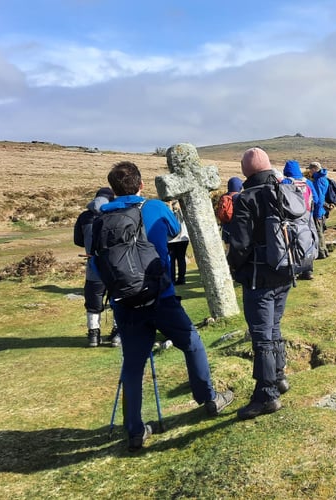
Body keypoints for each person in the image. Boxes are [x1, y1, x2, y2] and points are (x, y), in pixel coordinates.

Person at [98, 161, 234, 451]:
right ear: (141, 184)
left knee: (133, 365)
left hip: (124, 303)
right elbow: (173, 230)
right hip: (161, 296)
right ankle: (209, 399)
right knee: (192, 343)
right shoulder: (155, 208)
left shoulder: (101, 219)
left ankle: (134, 430)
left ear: (112, 189)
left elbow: (98, 263)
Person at [227, 147, 292, 420]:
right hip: (286, 272)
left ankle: (266, 395)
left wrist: (233, 268)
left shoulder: (246, 198)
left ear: (246, 171)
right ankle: (278, 377)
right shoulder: (285, 191)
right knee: (273, 328)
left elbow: (240, 244)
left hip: (259, 277)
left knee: (262, 337)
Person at [73, 187, 120, 348]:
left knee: (93, 300)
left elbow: (78, 240)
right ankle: (117, 333)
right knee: (118, 298)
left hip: (93, 264)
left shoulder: (85, 216)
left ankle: (94, 334)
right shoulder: (115, 214)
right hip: (115, 264)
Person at [282, 160, 317, 280]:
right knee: (308, 240)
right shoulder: (307, 182)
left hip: (291, 217)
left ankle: (294, 270)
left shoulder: (285, 182)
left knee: (292, 243)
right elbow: (315, 199)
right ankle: (308, 270)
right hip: (307, 217)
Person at [307, 161, 329, 259]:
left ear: (315, 169)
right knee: (320, 231)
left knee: (318, 231)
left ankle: (321, 253)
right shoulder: (322, 178)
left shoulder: (319, 180)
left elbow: (319, 199)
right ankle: (324, 251)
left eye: (310, 169)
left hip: (319, 211)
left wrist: (317, 213)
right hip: (321, 210)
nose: (309, 171)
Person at [167, 200, 190, 285]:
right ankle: (181, 278)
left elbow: (170, 219)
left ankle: (173, 279)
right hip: (182, 238)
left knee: (172, 260)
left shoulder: (170, 213)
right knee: (181, 259)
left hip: (171, 240)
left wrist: (169, 206)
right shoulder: (182, 212)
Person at [219, 176, 243, 248]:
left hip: (226, 229)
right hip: (237, 230)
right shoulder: (240, 197)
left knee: (228, 251)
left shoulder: (223, 197)